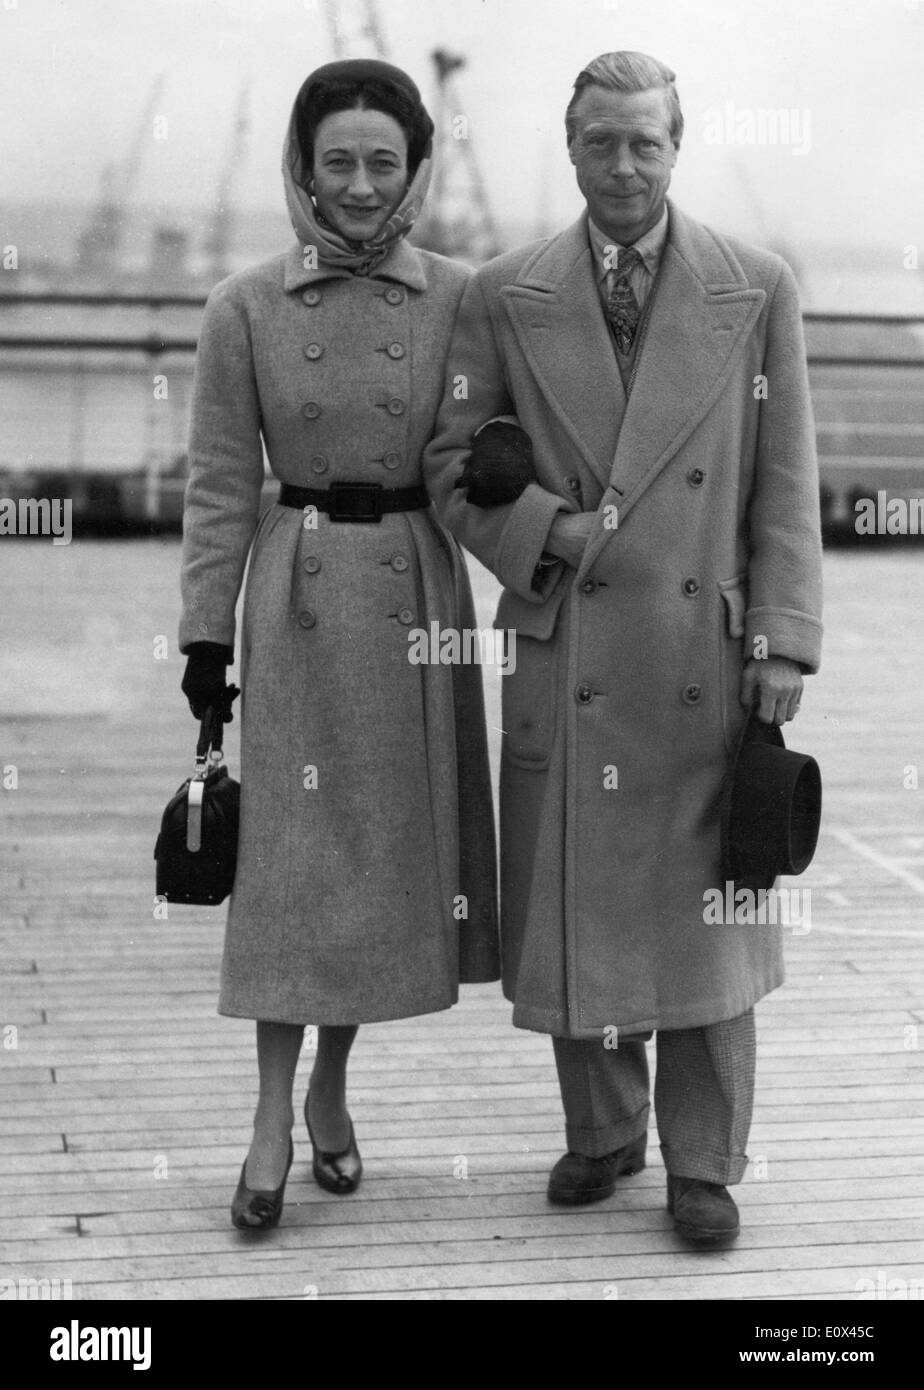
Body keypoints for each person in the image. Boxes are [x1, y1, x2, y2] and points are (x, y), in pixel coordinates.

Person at [424, 50, 823, 1245]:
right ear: (571, 146)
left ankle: (704, 1160)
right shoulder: (502, 292)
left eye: (645, 142)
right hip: (573, 634)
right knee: (580, 892)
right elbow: (453, 467)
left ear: (677, 145)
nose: (624, 167)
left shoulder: (756, 287)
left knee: (707, 907)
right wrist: (551, 530)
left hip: (705, 648)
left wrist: (785, 640)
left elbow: (789, 483)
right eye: (602, 142)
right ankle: (603, 1134)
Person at [178, 59, 498, 1231]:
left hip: (415, 598)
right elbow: (218, 487)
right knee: (291, 869)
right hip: (296, 602)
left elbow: (477, 454)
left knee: (375, 866)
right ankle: (269, 1118)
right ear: (301, 171)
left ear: (415, 171)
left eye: (382, 162)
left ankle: (333, 1084)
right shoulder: (244, 307)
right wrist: (205, 638)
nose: (359, 187)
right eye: (337, 162)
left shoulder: (464, 299)